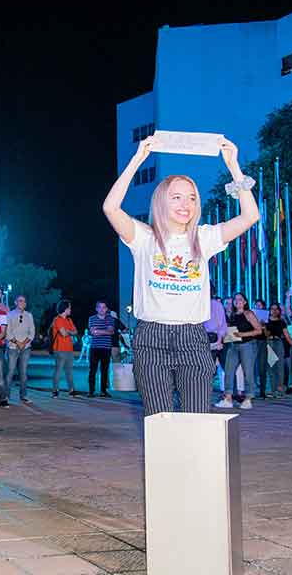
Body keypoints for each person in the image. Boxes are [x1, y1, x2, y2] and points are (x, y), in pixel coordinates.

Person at [102, 135, 259, 415]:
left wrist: (234, 167)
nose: (185, 204)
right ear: (162, 200)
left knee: (196, 420)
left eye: (191, 198)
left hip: (193, 338)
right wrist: (138, 159)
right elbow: (110, 208)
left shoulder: (205, 237)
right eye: (176, 197)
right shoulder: (143, 237)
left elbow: (250, 216)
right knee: (159, 422)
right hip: (151, 338)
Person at [216, 293, 262, 409]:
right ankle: (228, 398)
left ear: (245, 302)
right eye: (235, 299)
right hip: (234, 345)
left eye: (240, 299)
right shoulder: (232, 315)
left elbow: (258, 330)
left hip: (248, 345)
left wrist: (243, 334)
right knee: (228, 370)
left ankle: (248, 398)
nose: (237, 301)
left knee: (248, 372)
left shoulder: (249, 313)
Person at [6, 295, 35, 404]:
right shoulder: (10, 315)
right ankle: (6, 396)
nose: (22, 303)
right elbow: (8, 332)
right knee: (10, 372)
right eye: (20, 301)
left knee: (23, 372)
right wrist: (17, 342)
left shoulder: (29, 315)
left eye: (24, 301)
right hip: (13, 347)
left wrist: (24, 343)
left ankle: (24, 395)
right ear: (15, 302)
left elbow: (32, 332)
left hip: (26, 348)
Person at [263, 303, 292, 397]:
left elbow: (286, 334)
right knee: (271, 367)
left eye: (276, 309)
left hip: (278, 343)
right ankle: (272, 389)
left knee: (280, 366)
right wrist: (264, 327)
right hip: (269, 343)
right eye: (272, 309)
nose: (274, 311)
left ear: (279, 310)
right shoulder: (266, 321)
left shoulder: (282, 322)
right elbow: (266, 335)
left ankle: (279, 389)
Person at [51, 300, 78, 397]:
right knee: (58, 370)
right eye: (69, 308)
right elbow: (63, 333)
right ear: (65, 309)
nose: (70, 310)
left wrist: (68, 331)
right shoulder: (57, 320)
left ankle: (71, 390)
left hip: (69, 349)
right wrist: (69, 331)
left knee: (69, 370)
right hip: (59, 349)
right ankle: (55, 390)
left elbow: (75, 332)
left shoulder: (69, 320)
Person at [87, 301, 115, 398]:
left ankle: (103, 391)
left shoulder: (110, 318)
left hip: (106, 348)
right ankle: (91, 391)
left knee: (104, 370)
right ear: (96, 308)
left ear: (106, 309)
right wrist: (105, 331)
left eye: (104, 307)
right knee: (92, 370)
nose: (102, 309)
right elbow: (92, 332)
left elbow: (111, 331)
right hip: (95, 348)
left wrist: (98, 331)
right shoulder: (92, 319)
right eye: (100, 307)